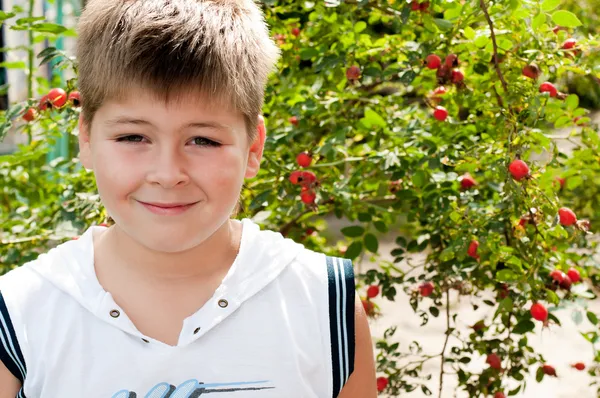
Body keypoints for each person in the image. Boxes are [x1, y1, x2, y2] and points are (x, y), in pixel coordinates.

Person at [0, 0, 377, 396]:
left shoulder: (325, 305)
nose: (167, 174)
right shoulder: (20, 314)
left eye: (203, 140)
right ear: (86, 139)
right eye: (133, 137)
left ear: (253, 149)